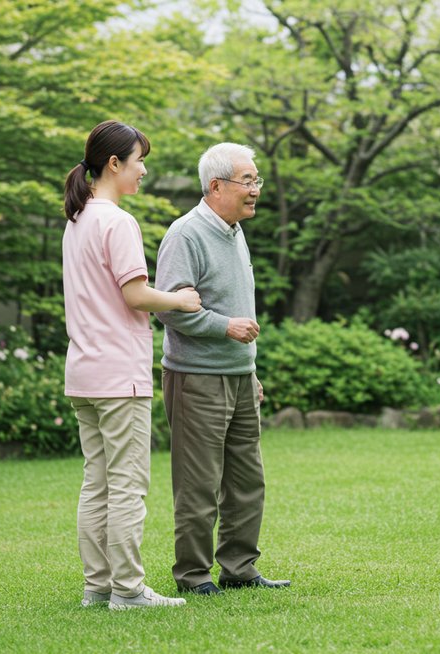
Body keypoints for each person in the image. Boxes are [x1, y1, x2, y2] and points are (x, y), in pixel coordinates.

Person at [62, 120, 201, 611]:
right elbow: (135, 294)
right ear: (114, 164)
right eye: (139, 160)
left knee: (96, 481)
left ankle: (97, 587)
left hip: (82, 373)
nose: (144, 170)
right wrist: (182, 301)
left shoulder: (78, 219)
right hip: (119, 375)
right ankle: (128, 590)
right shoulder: (117, 221)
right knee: (126, 485)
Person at [154, 142, 290, 595]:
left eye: (257, 181)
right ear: (216, 186)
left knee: (247, 480)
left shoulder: (234, 231)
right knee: (198, 484)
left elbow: (235, 305)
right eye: (248, 181)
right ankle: (193, 576)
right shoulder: (185, 234)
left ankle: (239, 568)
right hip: (196, 378)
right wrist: (224, 328)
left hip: (237, 377)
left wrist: (249, 370)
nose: (256, 190)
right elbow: (170, 307)